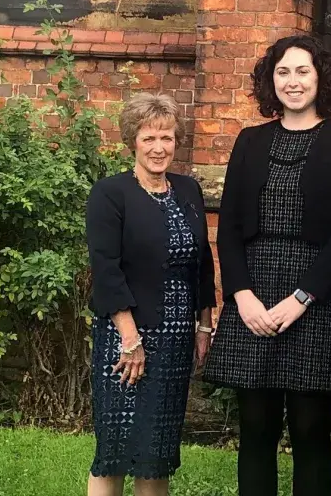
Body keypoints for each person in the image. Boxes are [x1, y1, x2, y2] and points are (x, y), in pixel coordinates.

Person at [203, 34, 331, 496]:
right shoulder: (250, 141)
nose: (292, 82)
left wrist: (301, 300)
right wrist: (241, 296)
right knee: (255, 429)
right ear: (269, 80)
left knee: (310, 430)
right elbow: (230, 226)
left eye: (302, 71)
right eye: (282, 72)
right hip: (253, 290)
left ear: (321, 78)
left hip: (316, 292)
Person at [85, 93, 216, 496]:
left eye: (167, 137)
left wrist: (204, 325)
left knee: (156, 451)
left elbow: (203, 262)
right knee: (116, 448)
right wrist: (129, 338)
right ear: (133, 142)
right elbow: (106, 269)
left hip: (176, 340)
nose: (159, 147)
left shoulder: (188, 190)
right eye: (149, 138)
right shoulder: (111, 193)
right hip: (126, 339)